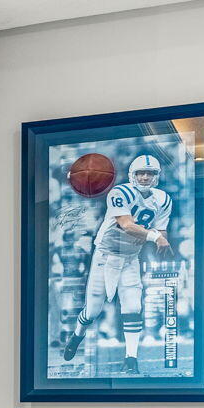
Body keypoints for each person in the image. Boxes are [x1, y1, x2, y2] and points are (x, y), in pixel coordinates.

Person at [60, 152, 172, 374]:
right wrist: (155, 238)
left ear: (156, 176)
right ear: (132, 175)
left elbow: (161, 231)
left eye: (149, 173)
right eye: (140, 173)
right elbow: (127, 225)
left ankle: (131, 359)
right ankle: (77, 335)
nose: (144, 177)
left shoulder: (163, 199)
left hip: (131, 257)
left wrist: (162, 240)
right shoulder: (120, 192)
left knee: (133, 307)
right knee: (92, 310)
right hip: (106, 255)